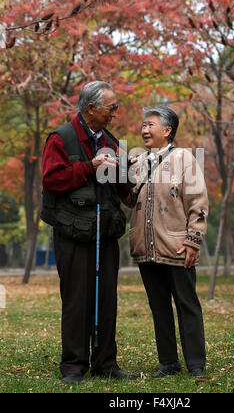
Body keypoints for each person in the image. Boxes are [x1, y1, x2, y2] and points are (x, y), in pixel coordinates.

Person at [41, 81, 136, 384]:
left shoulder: (110, 140)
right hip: (73, 233)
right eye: (111, 107)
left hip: (105, 232)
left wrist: (128, 171)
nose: (115, 113)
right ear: (91, 108)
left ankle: (106, 363)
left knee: (107, 298)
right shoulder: (61, 138)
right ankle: (73, 366)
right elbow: (52, 180)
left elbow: (122, 189)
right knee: (77, 299)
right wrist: (89, 166)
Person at [123, 106, 208, 377]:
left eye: (149, 125)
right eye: (143, 125)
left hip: (177, 247)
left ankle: (196, 363)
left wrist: (194, 241)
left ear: (167, 130)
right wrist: (122, 177)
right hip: (147, 248)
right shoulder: (139, 162)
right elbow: (129, 201)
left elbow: (198, 203)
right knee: (159, 307)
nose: (144, 130)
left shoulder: (185, 159)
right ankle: (169, 362)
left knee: (187, 305)